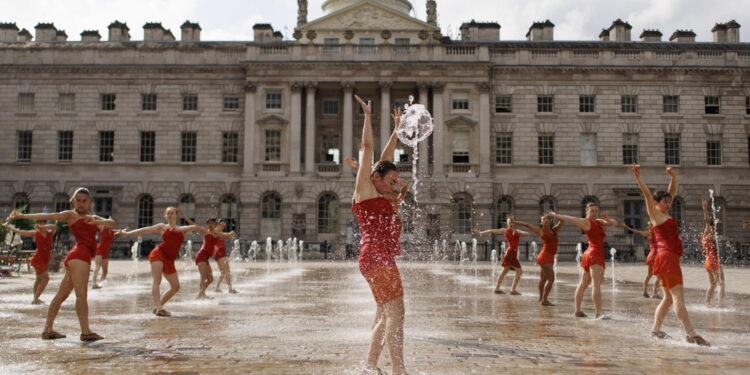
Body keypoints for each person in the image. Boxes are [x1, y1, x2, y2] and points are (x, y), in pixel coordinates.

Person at [9, 187, 116, 342]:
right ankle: (85, 332)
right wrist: (23, 215)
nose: (80, 203)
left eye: (84, 201)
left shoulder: (93, 217)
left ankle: (48, 330)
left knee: (61, 295)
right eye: (77, 200)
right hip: (80, 256)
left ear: (89, 202)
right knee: (81, 296)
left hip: (76, 257)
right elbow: (50, 215)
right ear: (72, 200)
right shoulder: (70, 215)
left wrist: (100, 221)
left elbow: (112, 223)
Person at [352, 95, 407, 375]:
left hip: (377, 256)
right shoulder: (365, 189)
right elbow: (368, 149)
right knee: (397, 314)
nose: (393, 187)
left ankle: (371, 367)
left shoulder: (378, 187)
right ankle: (398, 370)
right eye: (390, 181)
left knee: (386, 314)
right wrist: (367, 117)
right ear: (375, 177)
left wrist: (396, 129)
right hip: (376, 255)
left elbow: (384, 157)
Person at [631, 165, 709, 346]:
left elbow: (672, 191)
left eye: (669, 202)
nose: (668, 204)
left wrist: (673, 176)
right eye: (664, 202)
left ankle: (655, 330)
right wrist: (638, 177)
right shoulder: (655, 215)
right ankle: (690, 333)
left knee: (667, 298)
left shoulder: (664, 213)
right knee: (677, 298)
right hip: (667, 258)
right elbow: (647, 195)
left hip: (665, 258)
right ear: (657, 204)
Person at [121, 207, 201, 317]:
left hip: (170, 259)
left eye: (172, 213)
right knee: (157, 280)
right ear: (165, 216)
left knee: (175, 286)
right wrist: (128, 233)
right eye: (168, 213)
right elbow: (145, 229)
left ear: (176, 215)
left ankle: (158, 306)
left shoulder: (182, 229)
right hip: (158, 254)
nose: (170, 215)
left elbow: (195, 227)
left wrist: (185, 216)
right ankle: (159, 309)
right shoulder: (162, 227)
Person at [549, 203, 617, 318]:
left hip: (588, 254)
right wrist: (556, 215)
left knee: (583, 284)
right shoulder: (586, 222)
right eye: (592, 211)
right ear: (587, 212)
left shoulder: (598, 221)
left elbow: (614, 223)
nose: (595, 213)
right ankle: (598, 313)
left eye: (596, 211)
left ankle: (578, 310)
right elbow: (572, 219)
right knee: (596, 285)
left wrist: (607, 218)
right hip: (595, 254)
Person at [511, 213, 563, 305]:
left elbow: (562, 220)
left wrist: (554, 215)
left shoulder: (554, 230)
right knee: (551, 279)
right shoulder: (541, 231)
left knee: (543, 279)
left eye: (547, 218)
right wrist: (515, 222)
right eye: (543, 219)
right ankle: (544, 300)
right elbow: (527, 225)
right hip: (545, 257)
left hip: (549, 257)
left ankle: (541, 298)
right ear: (541, 223)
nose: (546, 220)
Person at [472, 215, 532, 295]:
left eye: (512, 222)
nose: (511, 223)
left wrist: (519, 231)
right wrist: (480, 232)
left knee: (504, 271)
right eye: (509, 222)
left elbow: (528, 234)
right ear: (507, 223)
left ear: (514, 223)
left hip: (511, 253)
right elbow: (492, 230)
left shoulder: (517, 231)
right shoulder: (505, 230)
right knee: (519, 271)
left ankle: (497, 288)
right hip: (510, 252)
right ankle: (512, 290)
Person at [2, 220, 56, 304]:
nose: (41, 224)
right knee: (45, 278)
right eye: (39, 223)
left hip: (46, 259)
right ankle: (36, 299)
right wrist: (8, 227)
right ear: (36, 225)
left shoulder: (50, 233)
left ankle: (35, 298)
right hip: (38, 259)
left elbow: (55, 227)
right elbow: (20, 231)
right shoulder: (35, 233)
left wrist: (43, 227)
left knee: (38, 279)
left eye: (42, 223)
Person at [621, 222, 660, 299]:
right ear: (648, 226)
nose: (653, 225)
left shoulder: (655, 233)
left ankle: (645, 292)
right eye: (651, 224)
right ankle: (655, 293)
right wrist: (628, 228)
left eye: (653, 224)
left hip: (651, 256)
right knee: (659, 276)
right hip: (654, 256)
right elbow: (637, 232)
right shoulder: (649, 233)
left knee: (649, 275)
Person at [701, 200, 724, 306]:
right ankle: (721, 304)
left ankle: (707, 304)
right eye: (713, 225)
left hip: (708, 261)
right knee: (721, 284)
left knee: (712, 285)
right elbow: (707, 221)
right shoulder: (708, 233)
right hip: (714, 260)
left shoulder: (705, 236)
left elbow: (708, 223)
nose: (714, 228)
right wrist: (705, 209)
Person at [92, 222, 125, 289]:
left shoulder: (112, 231)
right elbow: (95, 222)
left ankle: (100, 283)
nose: (110, 224)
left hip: (106, 251)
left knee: (105, 271)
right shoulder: (103, 228)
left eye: (111, 223)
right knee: (97, 267)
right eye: (109, 223)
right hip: (99, 249)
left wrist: (124, 230)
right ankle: (94, 284)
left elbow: (118, 231)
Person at [192, 217, 217, 299]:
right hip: (201, 255)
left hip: (206, 258)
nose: (211, 224)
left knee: (210, 278)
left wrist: (231, 233)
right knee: (203, 277)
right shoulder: (205, 231)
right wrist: (184, 216)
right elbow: (196, 226)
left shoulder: (216, 234)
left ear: (215, 224)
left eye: (212, 223)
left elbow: (225, 236)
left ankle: (200, 293)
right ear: (207, 224)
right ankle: (202, 294)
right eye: (209, 223)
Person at [212, 219, 237, 294]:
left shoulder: (217, 231)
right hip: (220, 252)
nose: (224, 226)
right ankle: (230, 289)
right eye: (223, 225)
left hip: (219, 252)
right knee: (227, 271)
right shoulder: (215, 231)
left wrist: (229, 234)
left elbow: (225, 237)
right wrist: (231, 233)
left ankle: (217, 288)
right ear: (219, 224)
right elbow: (226, 236)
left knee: (223, 272)